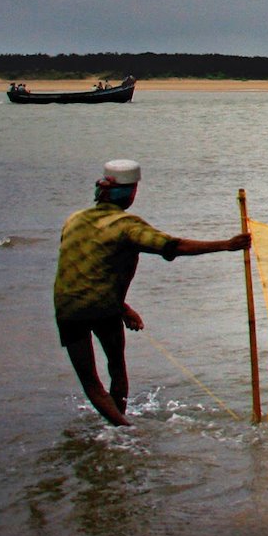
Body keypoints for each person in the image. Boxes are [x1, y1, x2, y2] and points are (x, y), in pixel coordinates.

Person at [53, 159, 250, 427]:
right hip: (102, 308)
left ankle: (116, 429)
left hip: (67, 309)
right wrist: (226, 245)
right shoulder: (126, 225)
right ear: (131, 194)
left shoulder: (73, 220)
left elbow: (85, 272)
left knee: (91, 384)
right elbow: (172, 246)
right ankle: (126, 430)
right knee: (117, 370)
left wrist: (124, 308)